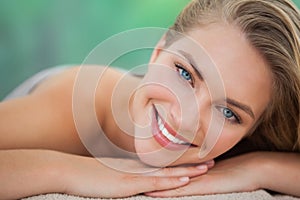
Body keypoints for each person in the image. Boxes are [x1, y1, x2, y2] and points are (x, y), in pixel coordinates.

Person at [0, 0, 300, 199]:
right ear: (158, 50)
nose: (185, 119)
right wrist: (68, 170)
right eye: (184, 74)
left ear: (252, 131)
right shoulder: (79, 103)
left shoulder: (228, 147)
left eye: (228, 112)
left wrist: (259, 168)